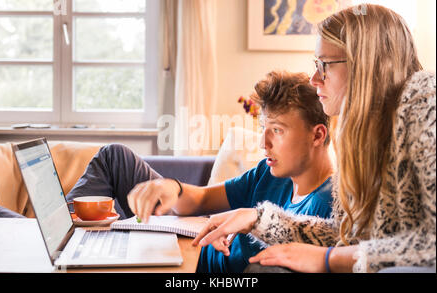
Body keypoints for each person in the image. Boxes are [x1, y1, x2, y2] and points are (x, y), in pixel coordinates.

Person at [192, 4, 436, 273]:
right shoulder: (360, 138)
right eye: (315, 65)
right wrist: (256, 220)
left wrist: (326, 260)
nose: (314, 78)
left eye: (325, 65)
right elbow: (351, 241)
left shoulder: (425, 102)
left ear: (365, 63)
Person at [67, 71, 335, 273]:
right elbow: (203, 200)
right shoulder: (269, 173)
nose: (263, 143)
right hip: (182, 241)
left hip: (188, 267)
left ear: (317, 135)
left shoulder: (326, 211)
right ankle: (59, 237)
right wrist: (173, 188)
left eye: (277, 130)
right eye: (262, 128)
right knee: (114, 156)